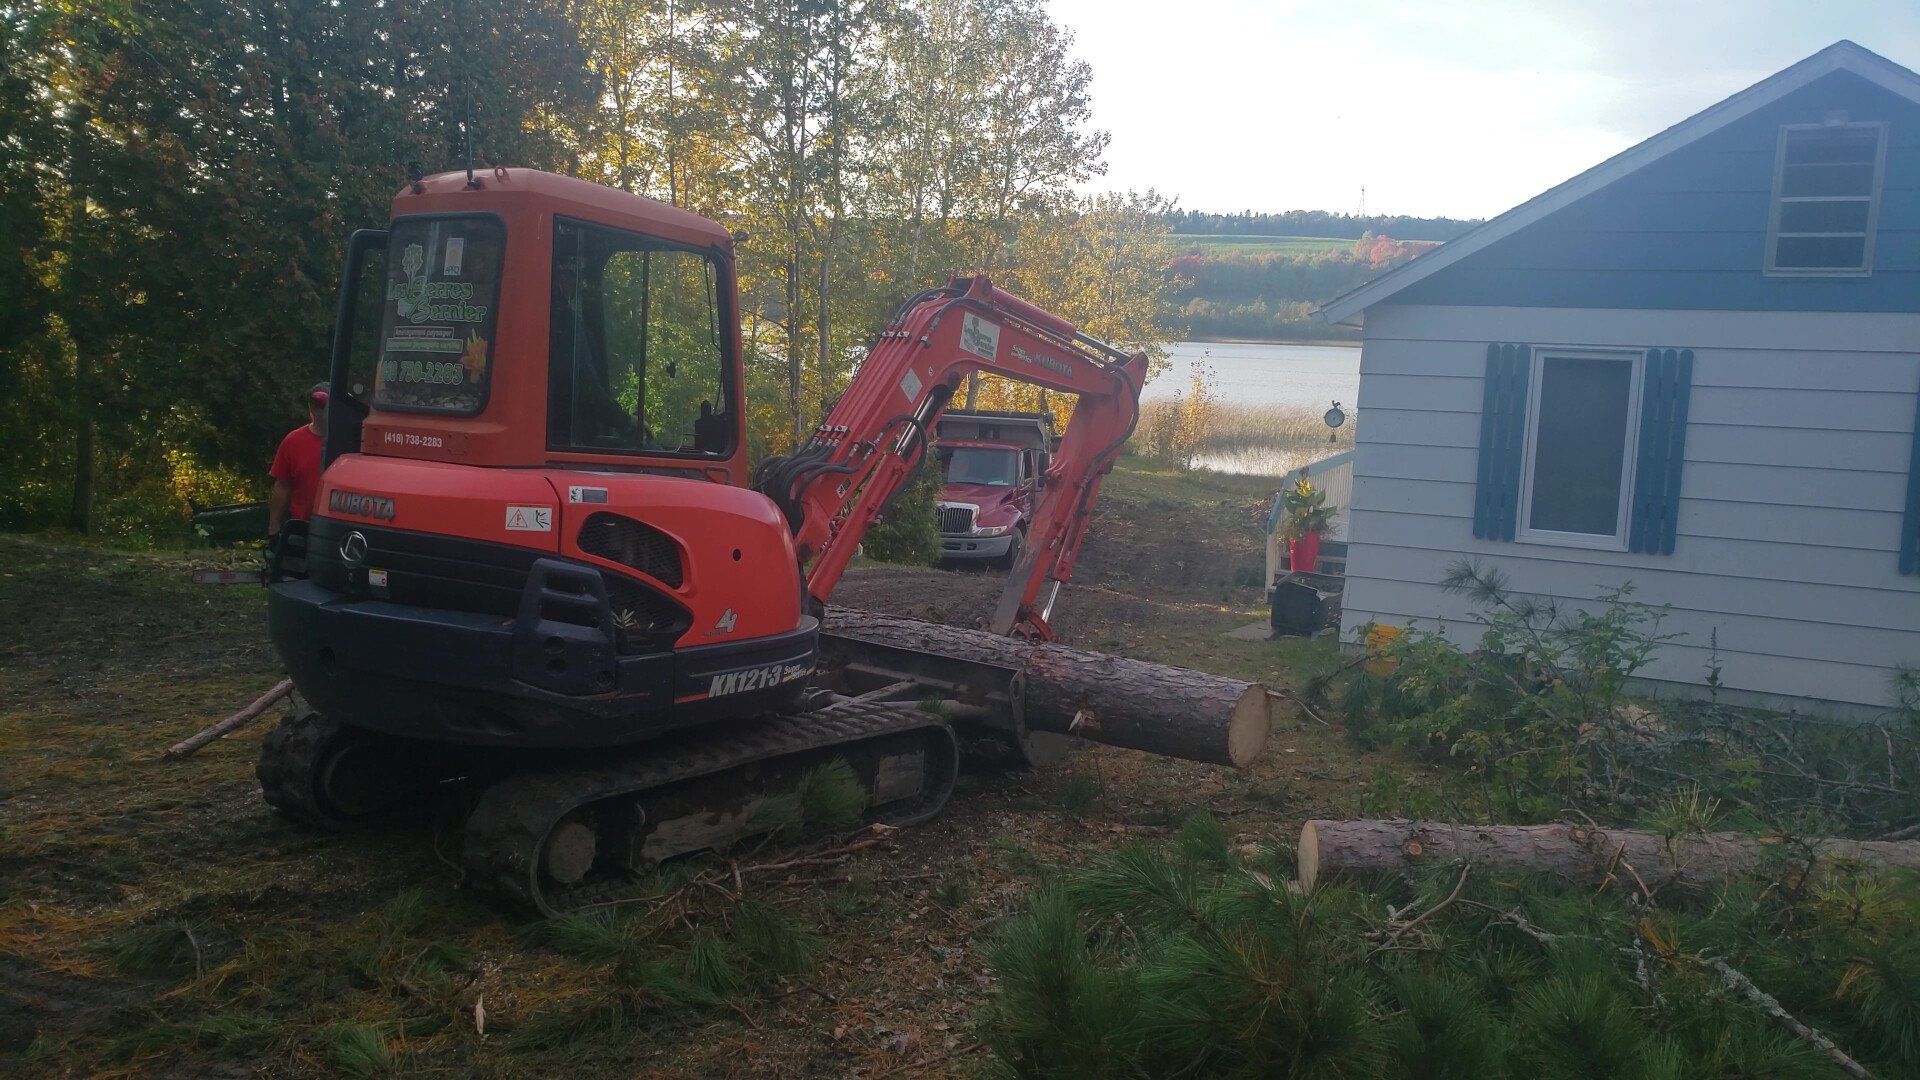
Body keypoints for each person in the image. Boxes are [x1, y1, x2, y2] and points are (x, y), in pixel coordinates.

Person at [268, 383, 328, 540]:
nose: (320, 411)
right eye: (317, 406)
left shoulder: (350, 442)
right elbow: (282, 486)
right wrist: (273, 528)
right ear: (310, 407)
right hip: (301, 527)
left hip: (337, 529)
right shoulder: (293, 441)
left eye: (324, 406)